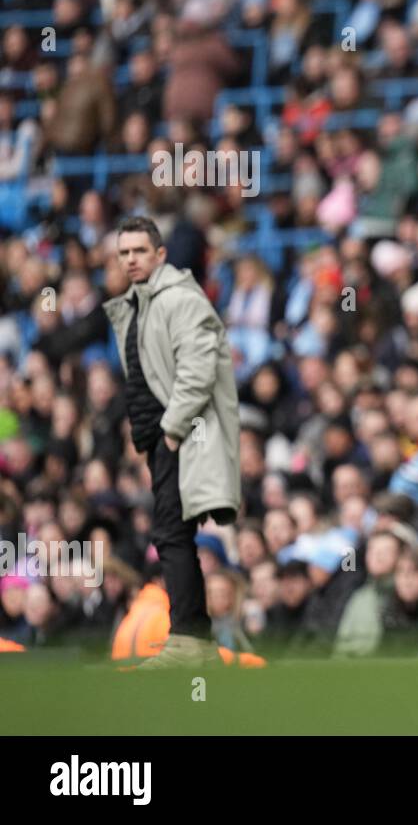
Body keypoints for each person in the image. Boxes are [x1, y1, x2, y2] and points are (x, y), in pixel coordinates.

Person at [103, 216, 242, 667]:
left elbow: (197, 369)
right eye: (124, 252)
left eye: (139, 251)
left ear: (160, 254)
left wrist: (172, 430)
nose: (131, 260)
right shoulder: (138, 304)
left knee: (171, 533)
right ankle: (192, 638)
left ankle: (190, 639)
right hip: (161, 439)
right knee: (171, 534)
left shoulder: (178, 300)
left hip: (180, 437)